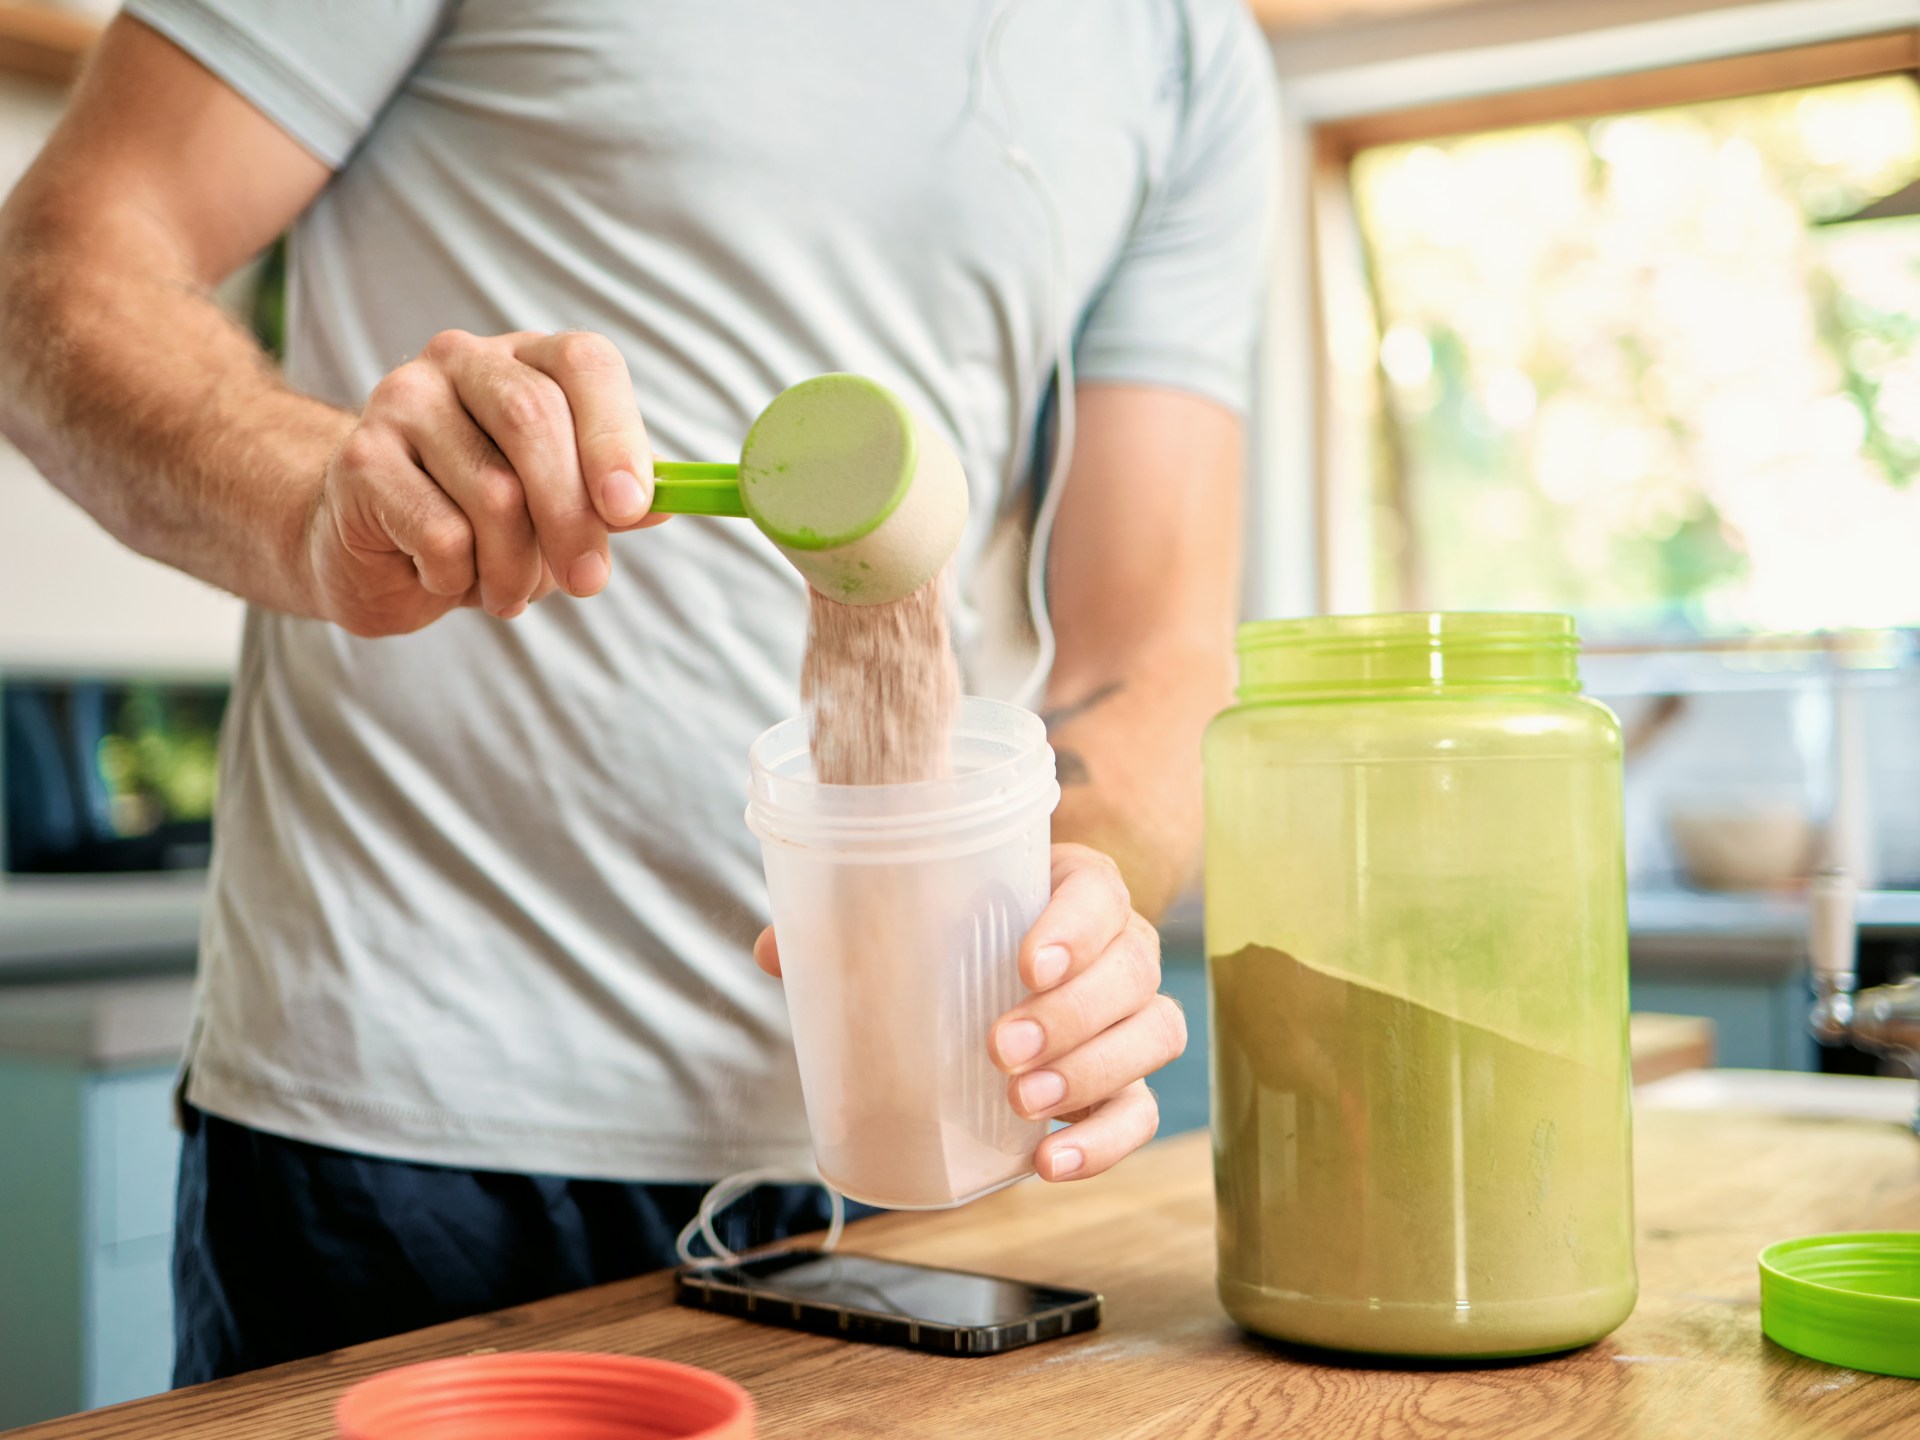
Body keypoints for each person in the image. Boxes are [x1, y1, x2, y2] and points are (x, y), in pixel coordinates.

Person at [0, 1, 1276, 1383]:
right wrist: (320, 500)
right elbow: (49, 275)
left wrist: (1073, 914)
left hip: (898, 1171)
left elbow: (1152, 652)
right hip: (404, 1138)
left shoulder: (1184, 51)